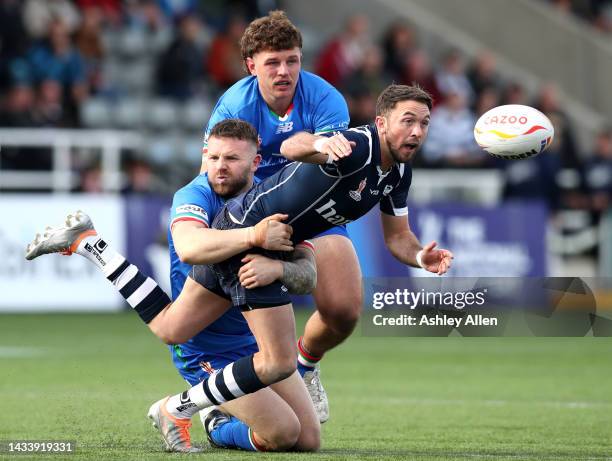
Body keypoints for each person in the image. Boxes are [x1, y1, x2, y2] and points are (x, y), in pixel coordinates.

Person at [26, 84, 454, 450]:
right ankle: (176, 408)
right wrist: (322, 143)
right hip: (247, 239)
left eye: (424, 123)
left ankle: (92, 245)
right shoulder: (356, 146)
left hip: (275, 248)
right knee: (278, 364)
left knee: (302, 436)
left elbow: (397, 238)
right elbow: (291, 146)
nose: (416, 131)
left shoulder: (398, 171)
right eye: (407, 120)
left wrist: (420, 256)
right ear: (381, 123)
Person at [27, 120, 321, 453]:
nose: (220, 167)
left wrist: (278, 267)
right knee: (282, 434)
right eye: (213, 158)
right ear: (204, 156)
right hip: (206, 346)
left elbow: (308, 277)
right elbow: (189, 247)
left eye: (232, 159)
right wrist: (254, 236)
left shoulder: (274, 197)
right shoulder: (195, 193)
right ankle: (215, 422)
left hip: (258, 340)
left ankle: (90, 244)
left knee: (308, 439)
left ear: (255, 162)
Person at [203, 10, 355, 423]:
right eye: (272, 62)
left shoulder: (325, 99)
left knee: (344, 311)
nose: (284, 71)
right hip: (250, 215)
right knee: (221, 323)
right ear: (251, 65)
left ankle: (307, 365)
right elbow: (216, 173)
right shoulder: (234, 105)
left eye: (292, 60)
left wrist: (311, 146)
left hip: (313, 211)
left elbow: (328, 155)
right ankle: (215, 398)